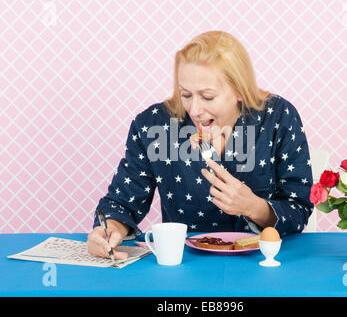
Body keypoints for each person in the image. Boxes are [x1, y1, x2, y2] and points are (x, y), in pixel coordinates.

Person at [87, 30, 314, 260]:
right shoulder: (152, 124)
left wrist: (253, 206)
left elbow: (299, 209)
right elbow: (121, 202)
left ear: (239, 91)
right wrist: (109, 231)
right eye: (185, 94)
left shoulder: (279, 117)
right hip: (185, 264)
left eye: (207, 96)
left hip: (266, 261)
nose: (194, 110)